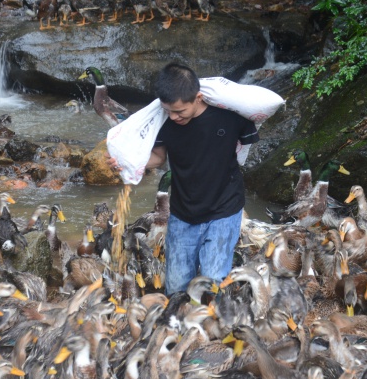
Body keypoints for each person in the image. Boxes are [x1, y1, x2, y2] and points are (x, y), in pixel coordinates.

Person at [110, 63, 258, 294]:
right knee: (177, 285)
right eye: (168, 110)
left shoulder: (230, 117)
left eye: (180, 111)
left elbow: (247, 142)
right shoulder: (162, 121)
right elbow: (158, 158)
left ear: (198, 97)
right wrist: (127, 162)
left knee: (213, 280)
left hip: (224, 208)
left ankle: (211, 325)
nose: (174, 116)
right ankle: (179, 326)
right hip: (183, 212)